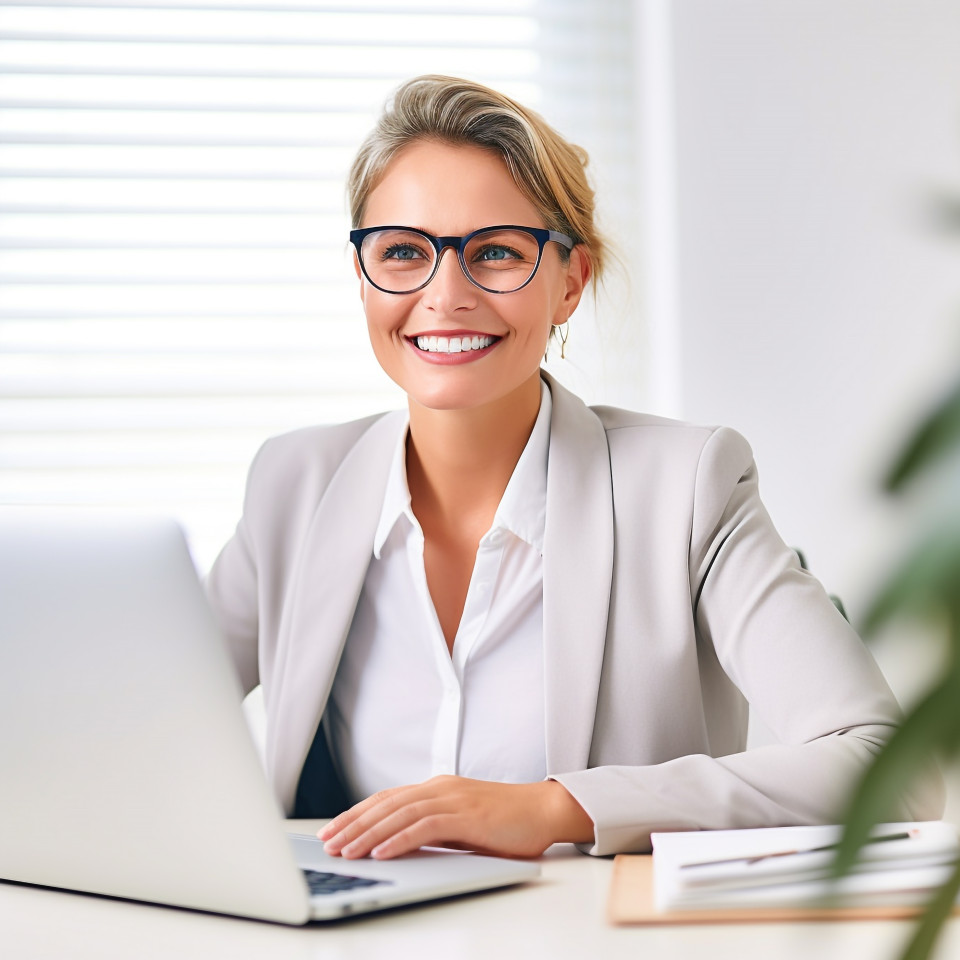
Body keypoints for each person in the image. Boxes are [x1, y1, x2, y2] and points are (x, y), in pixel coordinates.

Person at [205, 75, 942, 861]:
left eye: (494, 253)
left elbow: (890, 766)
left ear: (569, 282)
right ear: (362, 278)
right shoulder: (294, 485)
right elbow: (129, 724)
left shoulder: (687, 489)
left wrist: (561, 809)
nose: (444, 295)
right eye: (402, 253)